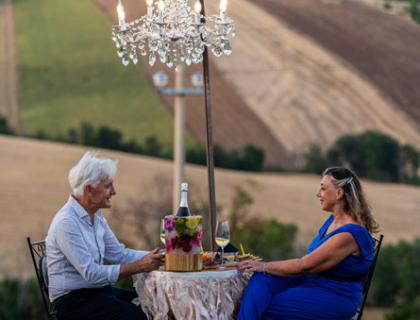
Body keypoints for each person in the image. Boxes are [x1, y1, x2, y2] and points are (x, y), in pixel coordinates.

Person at [237, 167, 379, 320]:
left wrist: (263, 265)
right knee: (260, 279)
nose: (318, 194)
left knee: (265, 306)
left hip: (335, 295)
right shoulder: (333, 220)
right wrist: (262, 270)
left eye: (323, 189)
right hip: (312, 280)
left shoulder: (349, 234)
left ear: (339, 193)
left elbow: (304, 265)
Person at [46, 151, 162, 320]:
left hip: (98, 293)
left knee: (153, 305)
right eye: (108, 186)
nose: (114, 191)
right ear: (89, 190)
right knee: (139, 317)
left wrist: (163, 255)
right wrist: (140, 266)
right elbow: (92, 274)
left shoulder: (96, 216)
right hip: (73, 302)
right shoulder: (66, 222)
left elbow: (118, 254)